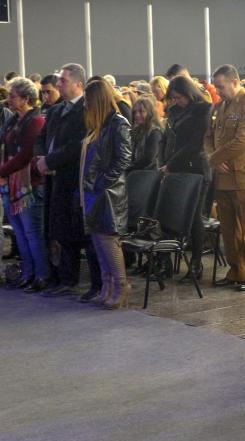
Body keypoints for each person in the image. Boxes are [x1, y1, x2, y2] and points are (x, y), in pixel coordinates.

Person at [35, 63, 103, 300]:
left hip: (76, 179)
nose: (58, 84)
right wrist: (42, 158)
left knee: (84, 233)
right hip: (55, 179)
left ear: (78, 84)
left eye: (63, 81)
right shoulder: (55, 110)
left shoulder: (87, 110)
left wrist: (51, 161)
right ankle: (66, 279)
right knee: (62, 230)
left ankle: (96, 284)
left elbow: (79, 145)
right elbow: (41, 138)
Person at [205, 65, 245, 291]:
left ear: (234, 82)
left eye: (220, 86)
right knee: (229, 229)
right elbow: (208, 137)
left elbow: (244, 141)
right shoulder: (219, 106)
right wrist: (213, 157)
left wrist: (215, 158)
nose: (217, 91)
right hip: (222, 177)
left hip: (243, 175)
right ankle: (236, 270)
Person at [80, 79, 132, 309]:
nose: (84, 105)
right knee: (98, 239)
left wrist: (102, 182)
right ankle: (107, 284)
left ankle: (121, 285)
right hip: (95, 190)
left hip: (109, 193)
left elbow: (124, 158)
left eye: (87, 100)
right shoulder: (98, 125)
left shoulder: (117, 123)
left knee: (108, 240)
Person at [160, 76, 211, 279]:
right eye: (173, 98)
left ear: (189, 93)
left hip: (195, 168)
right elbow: (167, 141)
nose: (176, 101)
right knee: (167, 213)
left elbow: (195, 143)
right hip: (173, 167)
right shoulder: (172, 112)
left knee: (194, 216)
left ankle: (196, 262)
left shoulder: (203, 109)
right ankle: (165, 261)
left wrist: (170, 164)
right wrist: (165, 163)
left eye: (179, 97)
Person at [0, 77, 49, 292]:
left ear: (26, 98)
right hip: (11, 184)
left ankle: (41, 275)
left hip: (29, 185)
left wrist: (1, 171)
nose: (9, 100)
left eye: (13, 96)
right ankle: (28, 273)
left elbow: (25, 155)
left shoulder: (36, 121)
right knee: (20, 233)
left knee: (31, 233)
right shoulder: (14, 121)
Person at [127, 95, 163, 173]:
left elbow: (148, 158)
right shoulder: (136, 131)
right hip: (136, 173)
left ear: (150, 112)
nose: (137, 115)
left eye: (141, 111)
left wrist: (129, 168)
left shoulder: (155, 132)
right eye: (135, 112)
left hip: (149, 175)